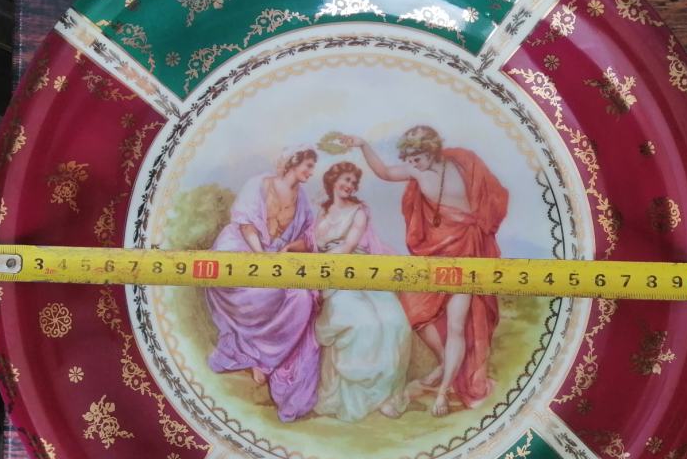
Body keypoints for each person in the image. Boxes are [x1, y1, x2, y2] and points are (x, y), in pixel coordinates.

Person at [341, 127, 508, 417]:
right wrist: (363, 144)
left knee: (456, 325)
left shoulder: (464, 164)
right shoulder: (417, 172)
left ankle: (442, 393)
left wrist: (480, 227)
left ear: (431, 151)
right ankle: (445, 362)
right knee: (412, 309)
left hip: (467, 255)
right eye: (409, 159)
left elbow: (494, 198)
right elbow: (384, 172)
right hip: (437, 255)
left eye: (416, 158)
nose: (412, 165)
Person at [204, 146, 321, 422]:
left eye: (312, 167)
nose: (311, 172)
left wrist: (288, 249)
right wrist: (263, 259)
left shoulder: (303, 199)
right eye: (308, 166)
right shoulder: (259, 184)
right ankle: (251, 354)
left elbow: (309, 235)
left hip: (274, 259)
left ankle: (267, 361)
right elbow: (246, 226)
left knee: (302, 298)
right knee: (262, 290)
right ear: (293, 163)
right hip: (242, 249)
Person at [312, 162, 411, 422]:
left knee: (394, 321)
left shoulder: (358, 211)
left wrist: (318, 261)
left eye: (354, 183)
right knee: (362, 322)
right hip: (332, 277)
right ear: (333, 180)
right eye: (346, 179)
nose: (350, 186)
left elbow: (348, 247)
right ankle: (356, 397)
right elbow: (312, 243)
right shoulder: (320, 211)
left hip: (359, 268)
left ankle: (385, 396)